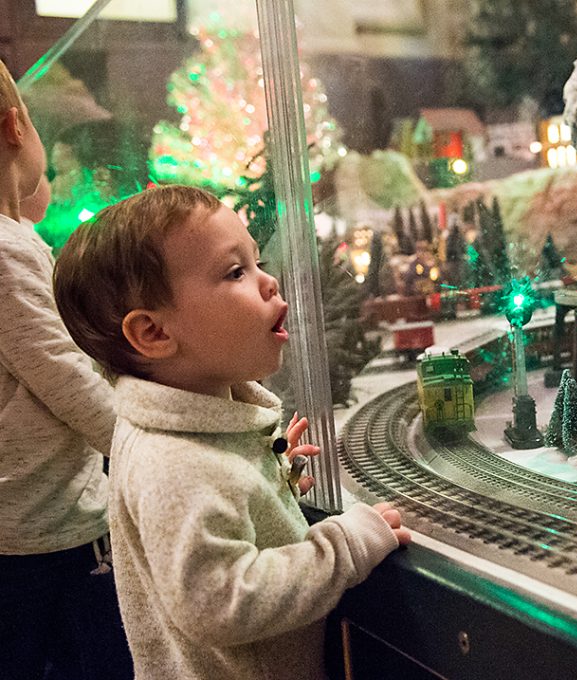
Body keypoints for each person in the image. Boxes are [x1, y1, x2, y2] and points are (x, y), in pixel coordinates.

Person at [53, 184, 411, 680]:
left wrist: (272, 483)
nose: (269, 283)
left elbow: (216, 508)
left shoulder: (190, 430)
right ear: (154, 333)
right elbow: (218, 600)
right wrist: (343, 547)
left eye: (257, 262)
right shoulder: (174, 462)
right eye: (235, 272)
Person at [0, 60, 133, 680]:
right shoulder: (6, 252)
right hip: (45, 536)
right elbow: (69, 382)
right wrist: (154, 448)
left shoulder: (16, 238)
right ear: (16, 126)